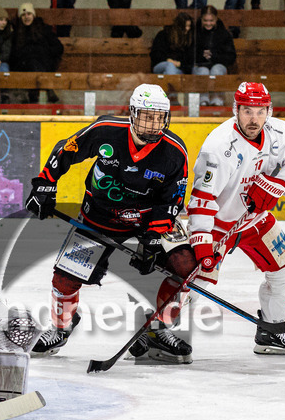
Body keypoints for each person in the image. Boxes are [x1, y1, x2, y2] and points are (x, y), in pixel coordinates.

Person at [24, 84, 196, 363]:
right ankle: (62, 325)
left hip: (149, 219)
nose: (153, 125)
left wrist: (154, 236)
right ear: (131, 114)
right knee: (64, 279)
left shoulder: (174, 152)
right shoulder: (106, 131)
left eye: (158, 118)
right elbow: (66, 149)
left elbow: (172, 199)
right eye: (146, 117)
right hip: (99, 217)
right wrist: (45, 183)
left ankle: (157, 328)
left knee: (187, 267)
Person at [185, 82, 285, 356]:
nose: (254, 119)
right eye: (247, 111)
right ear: (236, 110)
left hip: (254, 219)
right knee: (195, 279)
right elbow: (202, 201)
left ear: (269, 110)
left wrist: (278, 184)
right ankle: (163, 331)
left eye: (260, 111)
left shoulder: (279, 131)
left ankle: (272, 329)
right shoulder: (218, 146)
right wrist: (202, 244)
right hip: (218, 225)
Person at [11, 3, 64, 104]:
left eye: (29, 14)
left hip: (44, 64)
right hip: (24, 67)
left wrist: (44, 52)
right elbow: (14, 55)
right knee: (31, 60)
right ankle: (47, 88)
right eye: (23, 15)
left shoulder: (44, 29)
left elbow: (58, 47)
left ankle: (34, 95)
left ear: (33, 15)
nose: (26, 17)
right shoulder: (17, 33)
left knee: (35, 59)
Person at [194, 6, 236, 106]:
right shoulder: (195, 33)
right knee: (203, 71)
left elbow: (231, 56)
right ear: (201, 19)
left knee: (216, 70)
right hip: (200, 65)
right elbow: (189, 54)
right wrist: (202, 55)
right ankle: (203, 99)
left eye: (211, 20)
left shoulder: (224, 34)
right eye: (205, 20)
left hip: (219, 64)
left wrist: (214, 56)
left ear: (216, 19)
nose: (208, 23)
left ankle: (217, 98)